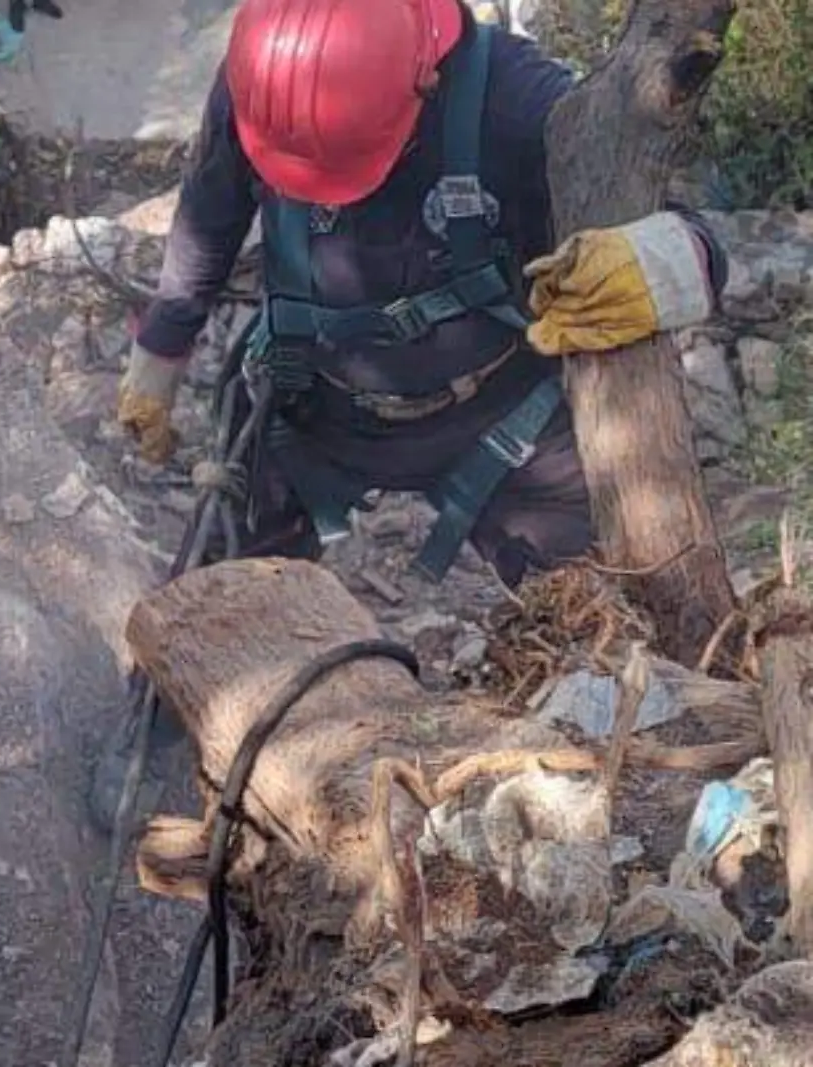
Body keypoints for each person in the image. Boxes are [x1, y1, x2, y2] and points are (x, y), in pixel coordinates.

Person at [94, 0, 726, 825]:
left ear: (423, 78)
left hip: (500, 421)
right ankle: (156, 722)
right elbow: (210, 211)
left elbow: (692, 227)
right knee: (217, 574)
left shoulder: (520, 102)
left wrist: (667, 261)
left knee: (605, 610)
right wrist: (161, 356)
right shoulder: (271, 77)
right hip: (316, 400)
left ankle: (636, 787)